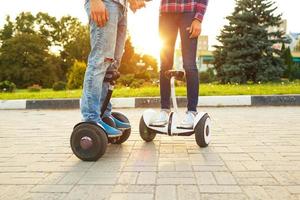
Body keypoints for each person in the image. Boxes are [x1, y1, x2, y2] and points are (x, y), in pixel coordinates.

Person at [81, 0, 145, 137]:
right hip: (105, 2)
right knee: (100, 62)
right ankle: (91, 118)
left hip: (121, 7)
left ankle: (103, 114)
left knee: (112, 65)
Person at [151, 0, 209, 129]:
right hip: (166, 12)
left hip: (189, 11)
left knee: (189, 64)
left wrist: (198, 19)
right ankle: (165, 110)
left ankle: (192, 111)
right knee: (165, 64)